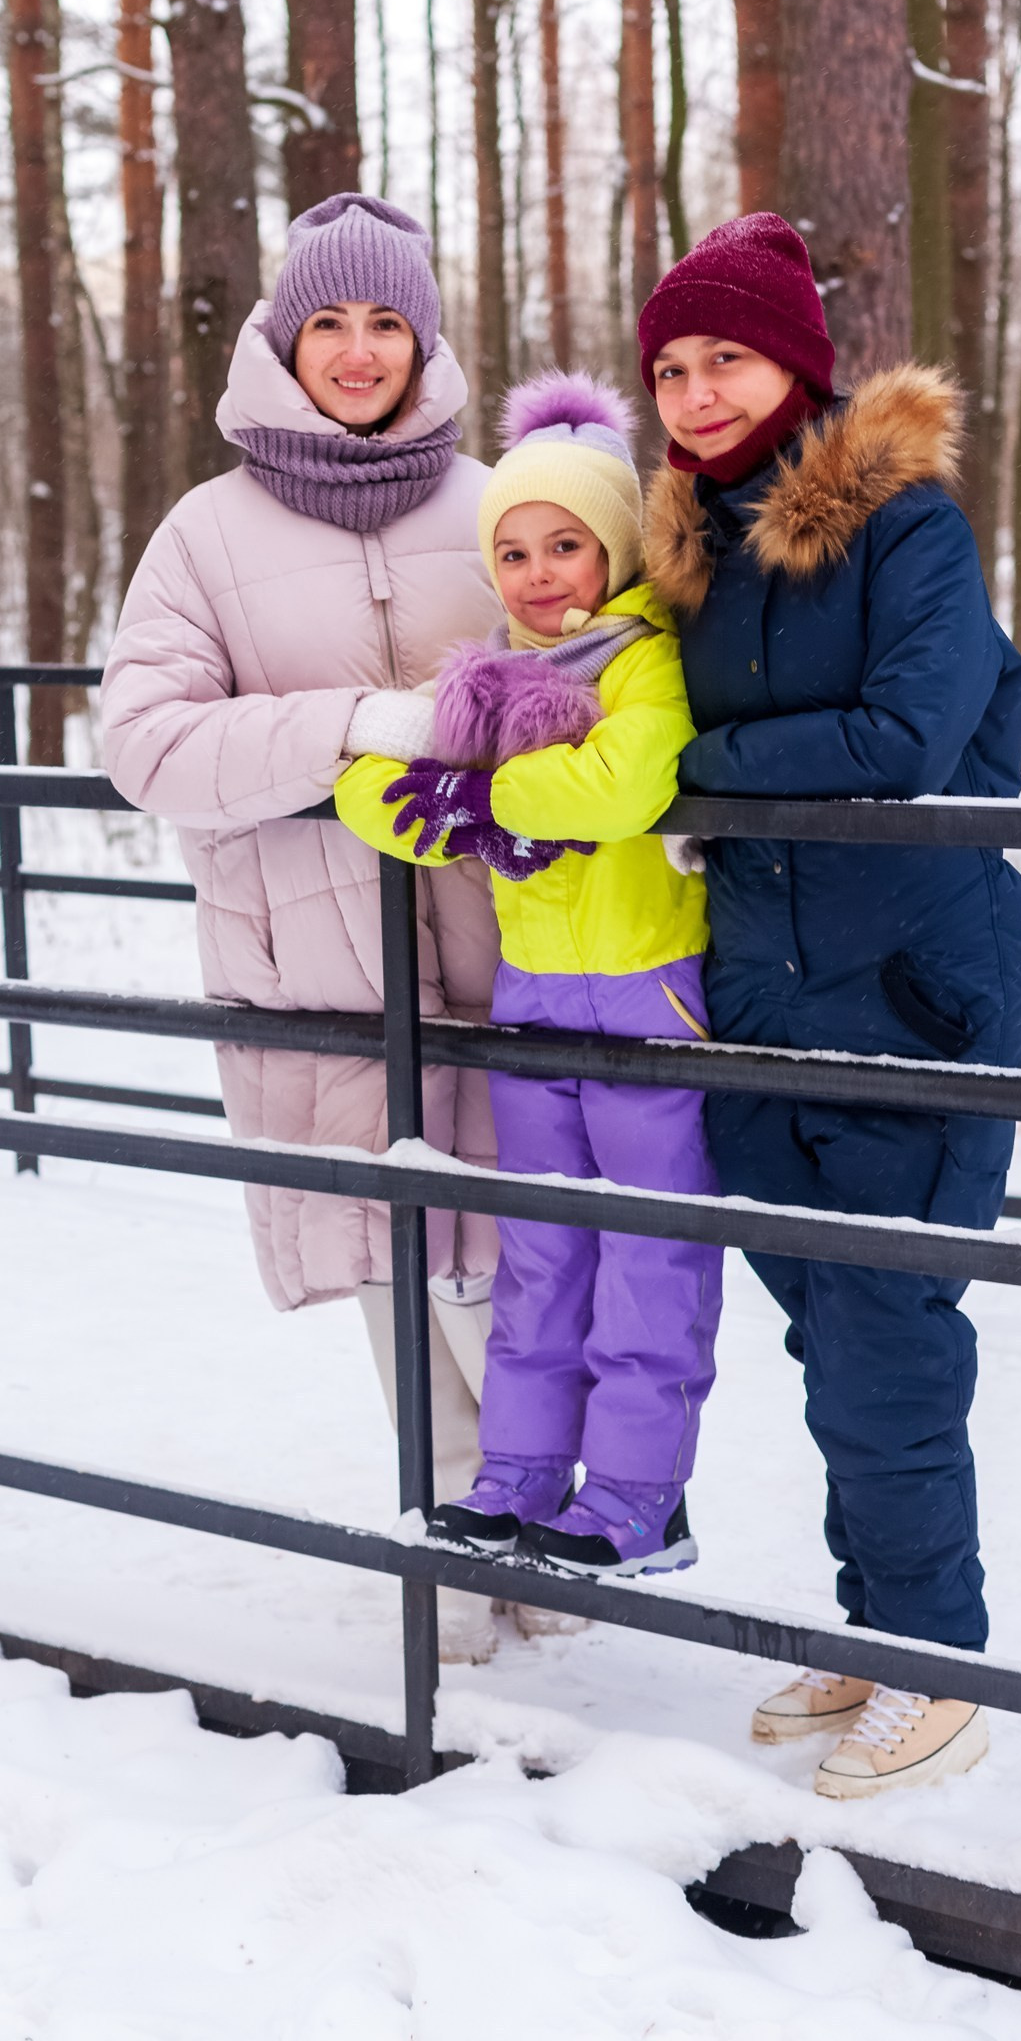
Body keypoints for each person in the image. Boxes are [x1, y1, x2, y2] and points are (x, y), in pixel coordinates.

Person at [638, 212, 1021, 1797]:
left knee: (885, 1329)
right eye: (667, 365)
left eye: (722, 356)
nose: (692, 390)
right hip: (756, 993)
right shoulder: (692, 550)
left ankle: (935, 1658)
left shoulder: (905, 528)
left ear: (793, 362)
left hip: (902, 983)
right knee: (821, 1328)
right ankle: (875, 1627)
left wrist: (689, 777)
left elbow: (901, 744)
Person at [101, 193, 508, 1664]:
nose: (355, 351)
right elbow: (145, 745)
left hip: (511, 967)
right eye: (327, 323)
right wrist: (353, 725)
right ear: (282, 337)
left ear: (423, 338)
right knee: (398, 1273)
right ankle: (458, 1558)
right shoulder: (204, 534)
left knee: (519, 1269)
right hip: (317, 975)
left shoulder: (499, 507)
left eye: (383, 322)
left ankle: (544, 1540)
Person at [335, 372, 724, 1579]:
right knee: (541, 1250)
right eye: (514, 550)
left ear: (613, 552)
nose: (541, 572)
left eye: (568, 545)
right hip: (534, 1002)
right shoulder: (487, 680)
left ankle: (636, 1496)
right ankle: (516, 1477)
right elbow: (366, 792)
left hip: (649, 994)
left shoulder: (649, 663)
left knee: (650, 1257)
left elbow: (622, 783)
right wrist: (463, 802)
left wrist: (481, 800)